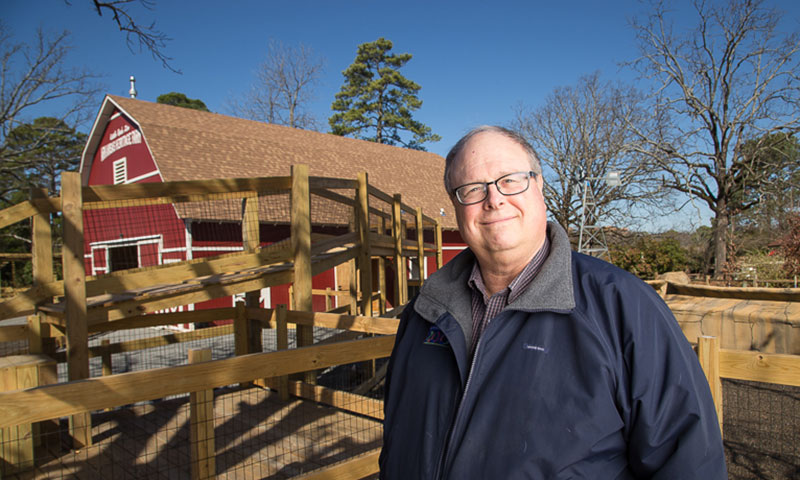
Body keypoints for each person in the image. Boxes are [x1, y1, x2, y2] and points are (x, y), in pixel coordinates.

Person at [379, 126, 727, 479]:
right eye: (472, 189)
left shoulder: (623, 307)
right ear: (455, 204)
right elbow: (396, 437)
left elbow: (688, 462)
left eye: (511, 180)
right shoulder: (425, 312)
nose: (494, 199)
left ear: (540, 185)